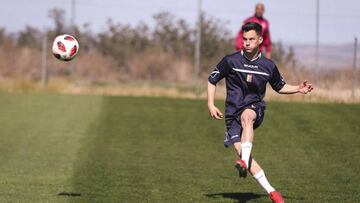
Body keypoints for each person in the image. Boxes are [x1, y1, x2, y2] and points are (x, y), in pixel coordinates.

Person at [207, 22, 313, 203]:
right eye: (245, 39)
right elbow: (212, 80)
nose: (247, 43)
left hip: (254, 108)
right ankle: (272, 192)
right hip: (232, 115)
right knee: (245, 158)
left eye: (251, 39)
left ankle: (244, 160)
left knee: (247, 116)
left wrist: (298, 88)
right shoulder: (230, 61)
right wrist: (211, 104)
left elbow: (279, 86)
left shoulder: (268, 66)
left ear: (260, 40)